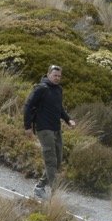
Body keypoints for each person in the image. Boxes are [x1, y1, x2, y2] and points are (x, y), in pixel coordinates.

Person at [22, 64, 74, 199]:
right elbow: (28, 106)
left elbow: (59, 108)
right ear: (48, 74)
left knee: (58, 161)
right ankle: (55, 194)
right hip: (44, 129)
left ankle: (39, 187)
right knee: (50, 161)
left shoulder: (58, 90)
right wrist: (27, 127)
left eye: (59, 76)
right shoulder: (41, 88)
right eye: (55, 75)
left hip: (56, 128)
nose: (57, 78)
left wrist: (68, 120)